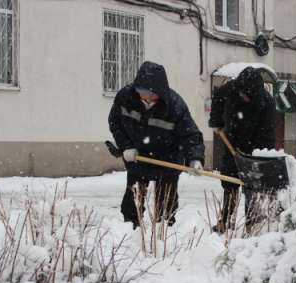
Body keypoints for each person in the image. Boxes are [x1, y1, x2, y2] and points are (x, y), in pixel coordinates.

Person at [109, 61, 204, 229]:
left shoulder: (174, 106)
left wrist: (195, 158)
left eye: (151, 94)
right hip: (137, 158)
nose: (146, 98)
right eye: (142, 92)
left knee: (166, 210)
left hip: (167, 160)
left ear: (160, 91)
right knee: (132, 205)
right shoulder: (126, 98)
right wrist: (126, 146)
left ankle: (164, 240)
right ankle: (131, 234)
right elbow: (115, 122)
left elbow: (191, 135)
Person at [209, 67, 276, 233]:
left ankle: (252, 222)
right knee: (229, 181)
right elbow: (217, 99)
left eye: (248, 96)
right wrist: (216, 121)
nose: (245, 98)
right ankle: (225, 220)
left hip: (255, 147)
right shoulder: (231, 89)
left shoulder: (266, 102)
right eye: (242, 94)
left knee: (251, 186)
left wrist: (255, 159)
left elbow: (267, 135)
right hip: (232, 140)